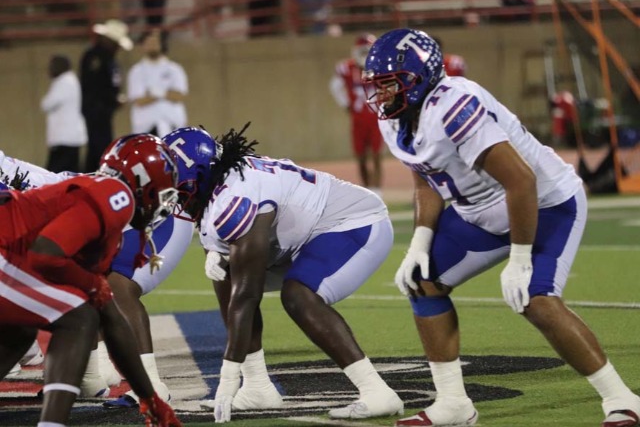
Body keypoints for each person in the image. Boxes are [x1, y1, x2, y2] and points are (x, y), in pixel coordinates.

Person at [362, 28, 640, 427]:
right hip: (479, 210)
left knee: (535, 298)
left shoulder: (454, 106)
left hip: (545, 203)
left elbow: (521, 181)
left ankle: (622, 398)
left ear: (420, 78)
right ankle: (454, 404)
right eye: (378, 84)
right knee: (423, 282)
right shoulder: (396, 119)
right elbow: (426, 177)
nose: (382, 94)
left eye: (391, 83)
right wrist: (420, 241)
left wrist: (521, 259)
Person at [162, 125, 404, 423]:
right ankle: (257, 387)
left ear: (197, 175)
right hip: (310, 234)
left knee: (298, 295)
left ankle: (376, 391)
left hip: (355, 223)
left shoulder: (235, 198)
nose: (168, 190)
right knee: (226, 274)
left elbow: (247, 294)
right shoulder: (222, 184)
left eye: (172, 180)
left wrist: (228, 374)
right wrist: (219, 251)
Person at [0, 134, 182, 427]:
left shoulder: (102, 203)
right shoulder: (115, 196)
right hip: (6, 250)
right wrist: (92, 284)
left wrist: (150, 400)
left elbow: (113, 321)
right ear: (145, 183)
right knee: (79, 317)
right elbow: (45, 255)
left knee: (23, 329)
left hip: (8, 253)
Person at [329, 33, 383, 195]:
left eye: (368, 51)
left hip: (376, 118)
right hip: (358, 118)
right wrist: (345, 104)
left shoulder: (381, 67)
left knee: (376, 155)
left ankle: (377, 190)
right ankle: (367, 190)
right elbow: (334, 86)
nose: (365, 55)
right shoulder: (347, 68)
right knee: (360, 157)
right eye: (362, 51)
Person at [80, 19, 133, 173]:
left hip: (105, 111)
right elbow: (94, 86)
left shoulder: (109, 59)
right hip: (96, 111)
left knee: (100, 147)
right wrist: (112, 99)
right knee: (100, 147)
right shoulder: (94, 57)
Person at [127, 28, 189, 138]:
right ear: (143, 46)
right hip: (146, 127)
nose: (152, 46)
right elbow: (139, 100)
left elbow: (179, 96)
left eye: (155, 42)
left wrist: (153, 93)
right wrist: (166, 93)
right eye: (149, 43)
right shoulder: (136, 71)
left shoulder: (174, 69)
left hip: (173, 124)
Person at [40, 55, 87, 173]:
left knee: (53, 174)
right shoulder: (69, 80)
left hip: (65, 139)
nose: (49, 70)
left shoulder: (65, 81)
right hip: (69, 138)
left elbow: (47, 104)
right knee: (70, 173)